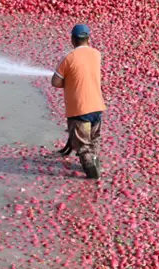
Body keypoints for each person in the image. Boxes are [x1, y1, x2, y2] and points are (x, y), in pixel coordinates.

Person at [52, 24, 106, 180]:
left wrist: (67, 81)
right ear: (88, 39)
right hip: (96, 106)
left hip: (79, 109)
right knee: (94, 139)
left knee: (83, 146)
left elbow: (55, 82)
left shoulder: (69, 58)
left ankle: (92, 174)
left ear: (72, 40)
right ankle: (95, 161)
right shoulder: (97, 54)